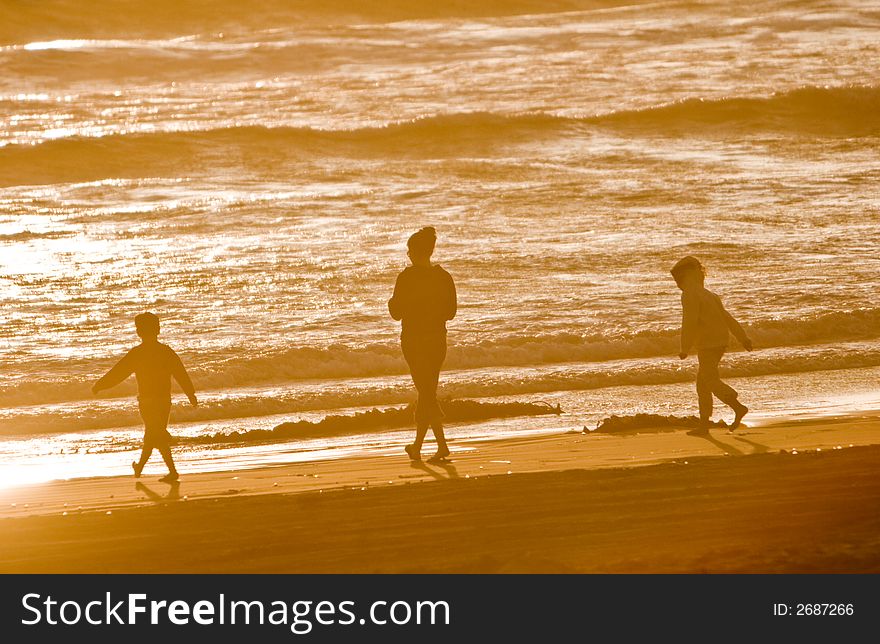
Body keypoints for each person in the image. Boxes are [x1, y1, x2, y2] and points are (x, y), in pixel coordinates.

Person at [92, 312, 197, 482]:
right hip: (164, 401)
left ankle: (172, 471)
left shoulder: (137, 353)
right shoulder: (165, 351)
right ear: (158, 329)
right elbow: (180, 373)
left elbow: (118, 373)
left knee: (155, 434)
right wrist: (190, 393)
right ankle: (140, 466)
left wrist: (100, 385)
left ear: (138, 331)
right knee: (154, 434)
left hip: (148, 401)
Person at [388, 226, 457, 462]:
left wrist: (391, 302)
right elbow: (451, 313)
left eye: (408, 251)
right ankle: (419, 447)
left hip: (414, 342)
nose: (407, 255)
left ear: (415, 252)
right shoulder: (444, 277)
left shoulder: (406, 278)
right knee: (427, 392)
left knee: (426, 392)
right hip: (437, 341)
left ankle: (438, 446)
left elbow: (395, 313)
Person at [671, 256, 753, 435]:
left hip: (708, 344)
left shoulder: (689, 294)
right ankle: (704, 425)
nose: (677, 284)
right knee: (703, 384)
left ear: (686, 276)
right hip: (720, 342)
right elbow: (728, 318)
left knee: (710, 380)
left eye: (677, 279)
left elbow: (689, 322)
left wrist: (684, 347)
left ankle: (737, 406)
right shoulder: (709, 294)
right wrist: (743, 338)